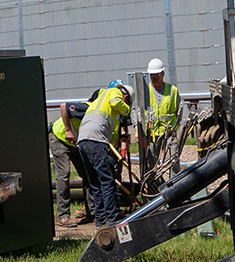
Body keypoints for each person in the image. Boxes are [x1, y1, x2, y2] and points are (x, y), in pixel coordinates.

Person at [75, 79, 132, 225]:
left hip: (84, 141)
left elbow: (111, 138)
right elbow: (116, 102)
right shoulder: (114, 92)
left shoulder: (102, 105)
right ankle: (112, 219)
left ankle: (100, 220)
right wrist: (127, 110)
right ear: (126, 97)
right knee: (107, 181)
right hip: (95, 140)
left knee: (95, 183)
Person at [141, 58, 181, 194]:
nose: (154, 78)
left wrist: (177, 132)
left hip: (169, 133)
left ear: (163, 74)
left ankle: (174, 190)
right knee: (150, 165)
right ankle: (153, 191)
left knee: (173, 160)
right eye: (152, 75)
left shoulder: (173, 91)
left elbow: (178, 112)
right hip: (151, 134)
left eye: (157, 75)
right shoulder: (145, 92)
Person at [49, 100, 91, 224]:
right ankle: (63, 215)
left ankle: (92, 212)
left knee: (87, 174)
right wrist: (67, 130)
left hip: (75, 143)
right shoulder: (86, 107)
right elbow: (64, 106)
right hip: (60, 138)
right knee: (64, 175)